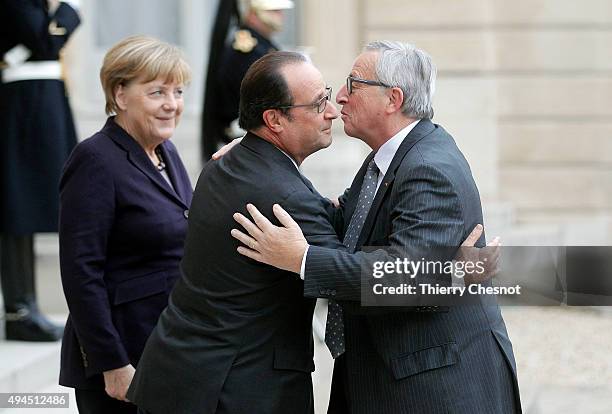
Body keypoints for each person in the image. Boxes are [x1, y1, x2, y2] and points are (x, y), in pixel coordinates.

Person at [129, 51, 493, 414]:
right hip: (230, 390)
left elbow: (348, 235)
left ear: (393, 99)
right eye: (319, 102)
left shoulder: (231, 165)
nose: (336, 105)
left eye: (348, 87)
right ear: (274, 120)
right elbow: (352, 262)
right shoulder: (282, 191)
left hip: (188, 378)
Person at [232, 41, 522, 413]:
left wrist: (301, 260)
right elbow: (342, 223)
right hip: (382, 370)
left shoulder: (427, 168)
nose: (339, 97)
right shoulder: (389, 155)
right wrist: (258, 155)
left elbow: (402, 277)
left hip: (433, 385)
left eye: (353, 85)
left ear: (392, 99)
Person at [58, 36, 192, 414]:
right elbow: (81, 273)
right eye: (157, 92)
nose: (172, 104)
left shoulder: (166, 150)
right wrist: (111, 363)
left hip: (166, 344)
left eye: (178, 91)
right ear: (120, 94)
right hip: (122, 356)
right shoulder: (94, 159)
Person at [0, 0, 80, 341]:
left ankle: (25, 306)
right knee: (18, 207)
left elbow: (43, 43)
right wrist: (69, 10)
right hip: (24, 104)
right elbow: (45, 40)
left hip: (38, 99)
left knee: (26, 209)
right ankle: (18, 310)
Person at [201, 0, 293, 161]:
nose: (280, 15)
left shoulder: (262, 44)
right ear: (252, 14)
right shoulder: (245, 51)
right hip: (248, 140)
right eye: (273, 11)